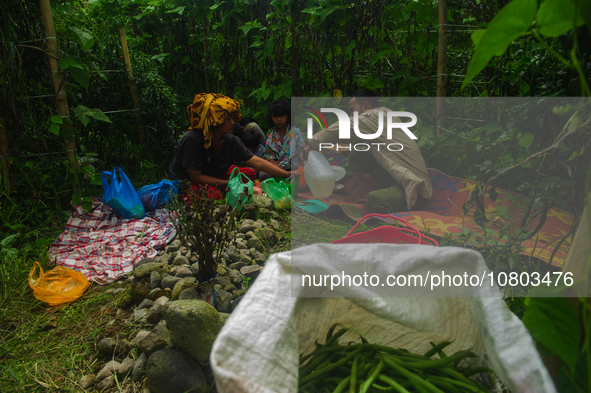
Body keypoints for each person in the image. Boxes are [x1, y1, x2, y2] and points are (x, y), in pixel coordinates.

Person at [303, 89, 432, 213]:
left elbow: (345, 126)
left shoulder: (376, 115)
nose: (351, 116)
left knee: (374, 201)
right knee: (356, 155)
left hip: (413, 186)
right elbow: (382, 150)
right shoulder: (380, 119)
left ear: (366, 106)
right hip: (397, 178)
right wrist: (347, 149)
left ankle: (392, 198)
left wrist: (312, 145)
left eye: (353, 110)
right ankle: (386, 192)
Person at [168, 93, 295, 199]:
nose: (233, 123)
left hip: (216, 176)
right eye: (228, 119)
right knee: (215, 194)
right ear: (214, 121)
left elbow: (257, 161)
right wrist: (230, 184)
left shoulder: (230, 140)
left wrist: (287, 173)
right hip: (189, 182)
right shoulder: (193, 139)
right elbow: (196, 177)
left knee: (249, 174)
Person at [260, 99, 307, 180]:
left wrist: (302, 170)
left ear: (288, 116)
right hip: (280, 169)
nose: (279, 119)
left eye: (282, 116)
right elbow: (269, 155)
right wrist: (273, 164)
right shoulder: (272, 136)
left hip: (296, 167)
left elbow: (303, 153)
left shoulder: (296, 132)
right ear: (271, 117)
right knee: (262, 174)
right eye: (275, 116)